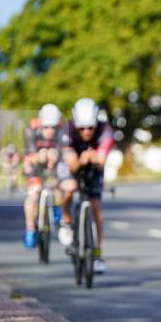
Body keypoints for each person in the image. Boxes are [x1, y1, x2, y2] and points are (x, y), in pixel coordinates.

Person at [57, 98, 114, 274]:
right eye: (82, 128)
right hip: (72, 165)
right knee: (69, 187)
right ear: (75, 123)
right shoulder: (66, 131)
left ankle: (97, 254)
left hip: (94, 168)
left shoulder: (105, 130)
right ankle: (66, 220)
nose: (87, 132)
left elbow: (102, 160)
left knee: (96, 206)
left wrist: (93, 158)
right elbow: (72, 165)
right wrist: (84, 158)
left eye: (91, 127)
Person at [22, 104, 65, 248]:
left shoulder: (62, 130)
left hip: (54, 164)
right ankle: (30, 228)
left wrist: (56, 156)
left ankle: (59, 214)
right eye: (46, 127)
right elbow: (30, 156)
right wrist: (40, 156)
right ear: (40, 124)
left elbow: (64, 151)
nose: (50, 131)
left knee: (60, 185)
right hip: (35, 164)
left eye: (53, 127)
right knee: (33, 193)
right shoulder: (31, 129)